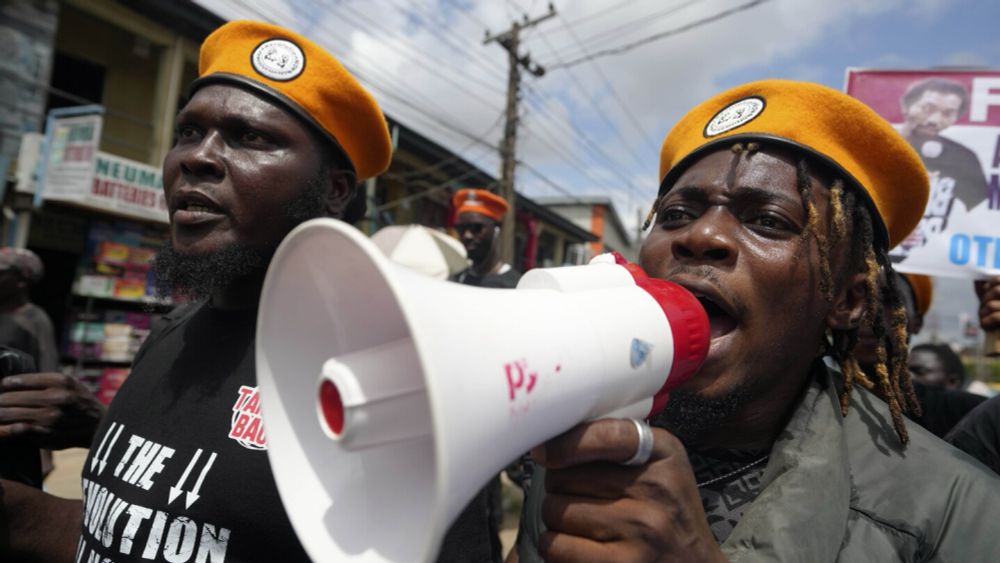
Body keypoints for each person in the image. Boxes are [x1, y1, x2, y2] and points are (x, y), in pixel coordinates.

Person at [0, 20, 489, 563]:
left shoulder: (390, 390)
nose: (197, 157)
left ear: (333, 190)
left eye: (251, 137)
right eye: (188, 132)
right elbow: (121, 534)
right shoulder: (169, 335)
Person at [512, 79, 1000, 562]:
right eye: (677, 213)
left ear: (848, 301)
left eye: (767, 220)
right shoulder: (583, 422)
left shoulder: (954, 514)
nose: (701, 235)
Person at [897, 78, 989, 249]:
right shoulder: (874, 145)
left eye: (947, 113)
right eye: (927, 108)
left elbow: (981, 215)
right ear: (907, 106)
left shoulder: (965, 158)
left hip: (922, 266)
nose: (935, 120)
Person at [450, 188, 522, 288]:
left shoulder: (516, 286)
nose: (467, 235)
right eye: (461, 229)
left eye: (476, 228)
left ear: (496, 228)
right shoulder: (455, 281)